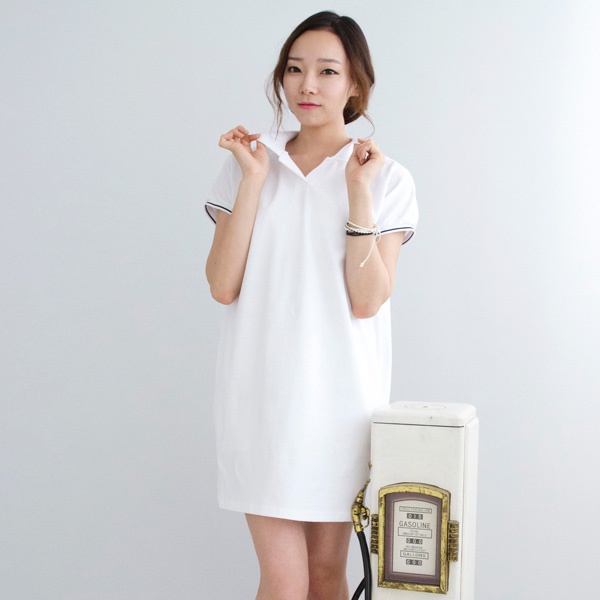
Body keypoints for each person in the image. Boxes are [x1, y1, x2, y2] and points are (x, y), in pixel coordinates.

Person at [205, 10, 418, 600]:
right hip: (261, 401)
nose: (307, 84)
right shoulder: (248, 164)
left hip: (343, 406)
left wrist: (357, 192)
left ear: (355, 84)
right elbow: (222, 284)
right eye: (295, 69)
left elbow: (368, 300)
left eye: (327, 71)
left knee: (327, 577)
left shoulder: (386, 178)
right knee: (285, 578)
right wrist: (253, 181)